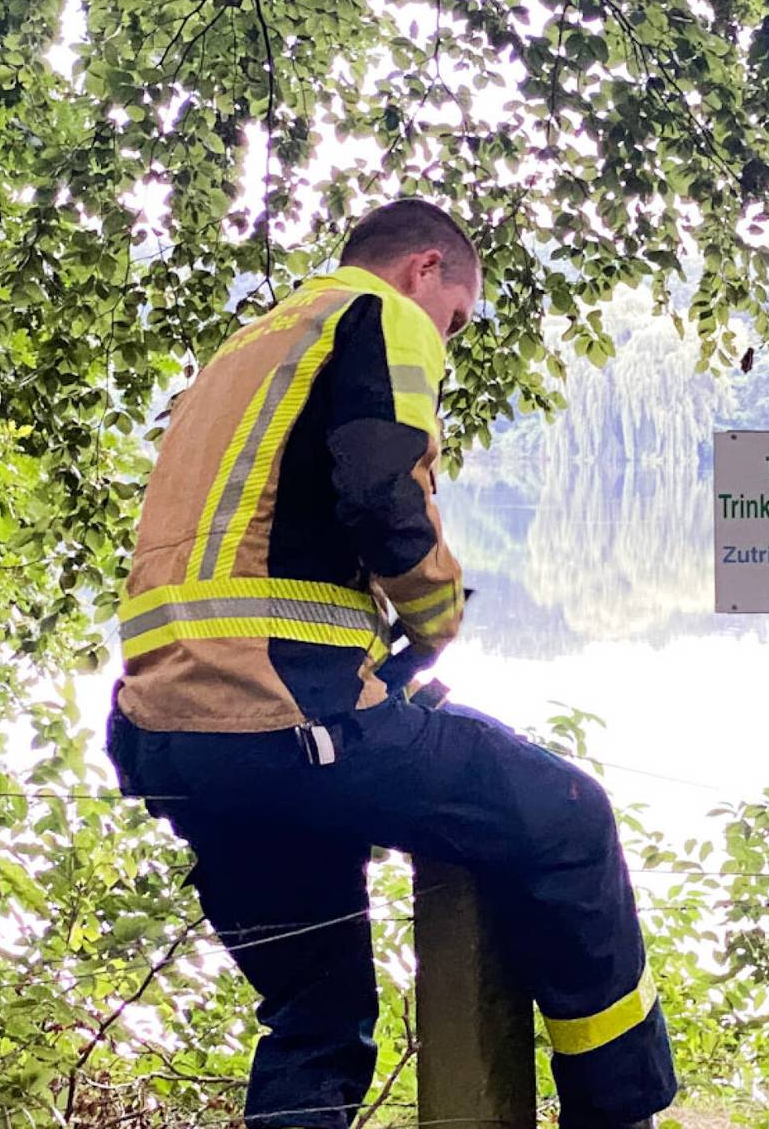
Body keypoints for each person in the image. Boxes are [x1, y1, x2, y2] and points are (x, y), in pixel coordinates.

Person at [104, 200, 676, 1128]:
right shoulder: (376, 315)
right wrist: (435, 615)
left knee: (315, 1020)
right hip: (289, 714)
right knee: (568, 818)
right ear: (423, 269)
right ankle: (620, 1114)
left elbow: (270, 547)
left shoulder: (248, 349)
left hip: (173, 737)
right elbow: (382, 490)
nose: (448, 333)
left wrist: (378, 667)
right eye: (458, 314)